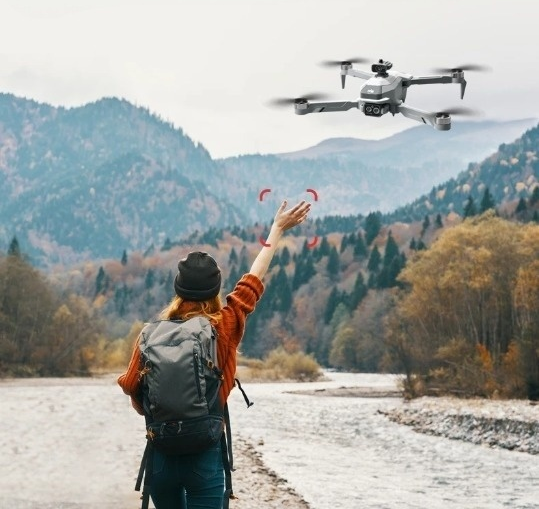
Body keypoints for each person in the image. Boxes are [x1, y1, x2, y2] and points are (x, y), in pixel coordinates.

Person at [118, 199, 311, 509]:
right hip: (204, 457)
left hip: (161, 461)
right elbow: (253, 279)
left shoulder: (150, 334)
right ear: (216, 291)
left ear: (178, 291)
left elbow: (133, 390)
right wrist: (277, 228)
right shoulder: (225, 325)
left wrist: (166, 410)